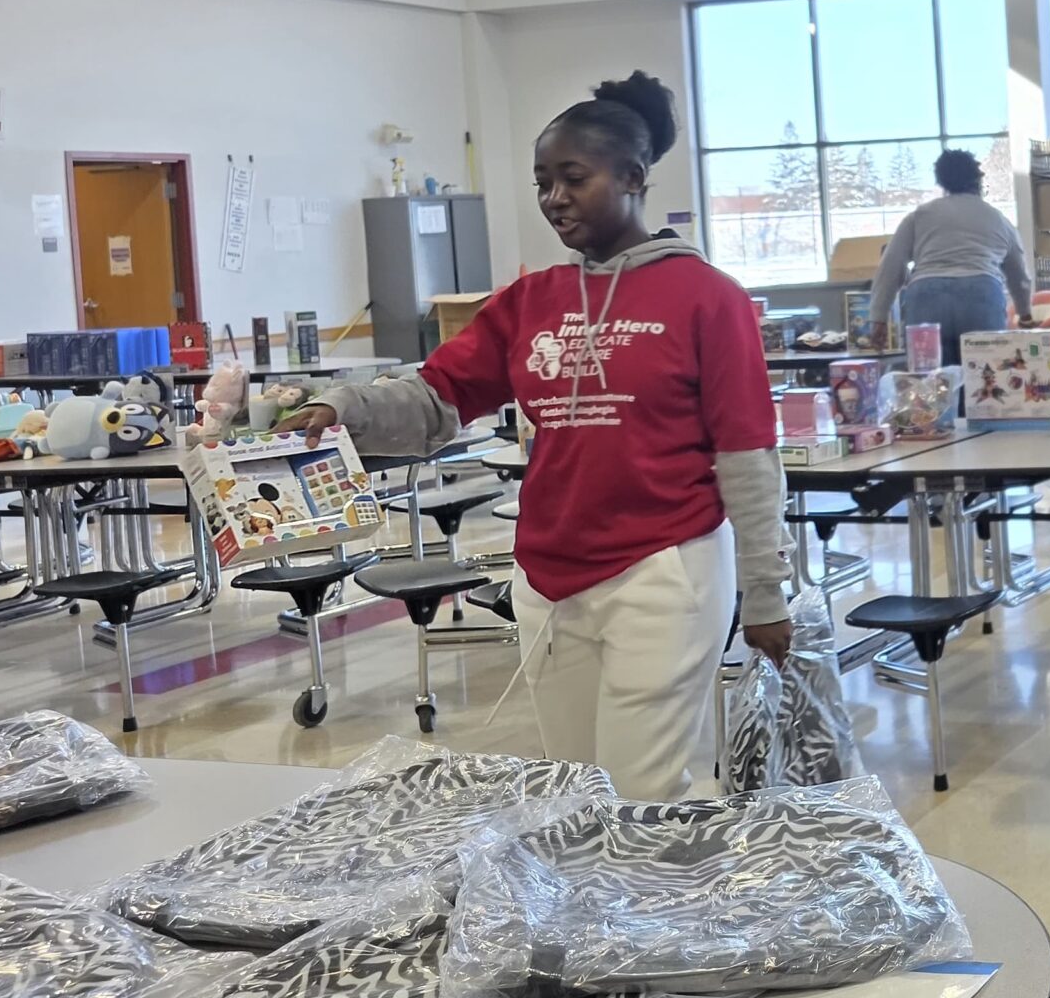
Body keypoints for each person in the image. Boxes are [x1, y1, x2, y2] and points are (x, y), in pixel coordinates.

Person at [284, 72, 794, 801]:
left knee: (641, 792)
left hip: (664, 570)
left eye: (573, 179)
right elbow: (437, 396)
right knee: (573, 787)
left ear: (633, 177)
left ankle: (647, 879)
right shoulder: (531, 301)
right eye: (542, 183)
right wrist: (344, 408)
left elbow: (746, 456)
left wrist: (765, 592)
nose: (555, 198)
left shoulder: (708, 298)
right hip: (549, 577)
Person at [866, 148, 1033, 364]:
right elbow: (1018, 274)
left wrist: (878, 317)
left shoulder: (919, 216)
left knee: (930, 378)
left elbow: (891, 266)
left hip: (927, 297)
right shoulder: (998, 219)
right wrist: (1025, 313)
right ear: (978, 178)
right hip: (981, 296)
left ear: (941, 181)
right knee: (985, 377)